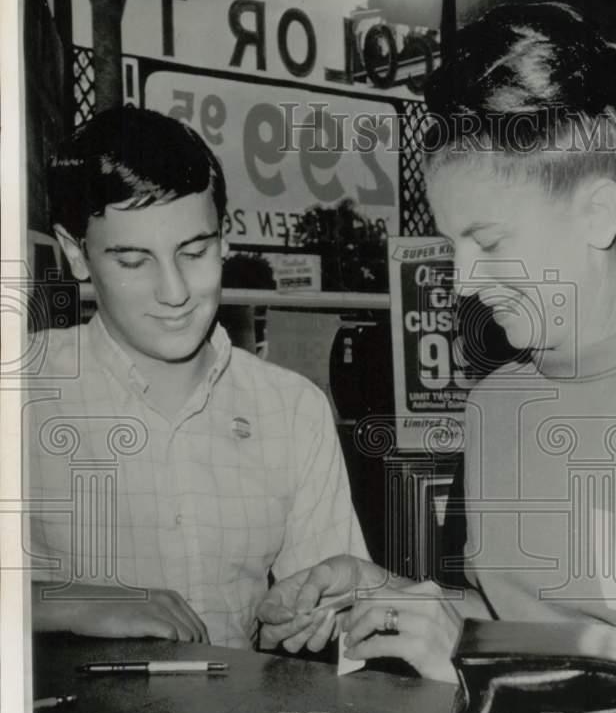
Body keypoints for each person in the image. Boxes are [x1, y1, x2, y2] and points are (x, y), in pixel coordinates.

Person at [256, 3, 616, 681]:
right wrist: (387, 595)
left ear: (597, 213)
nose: (463, 282)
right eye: (452, 246)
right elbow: (518, 617)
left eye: (489, 242)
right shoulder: (496, 404)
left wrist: (469, 656)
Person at [27, 106, 367, 648]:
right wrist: (68, 601)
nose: (175, 291)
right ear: (76, 253)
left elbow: (340, 613)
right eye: (134, 262)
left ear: (224, 238)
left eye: (194, 251)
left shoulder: (292, 409)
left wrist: (309, 619)